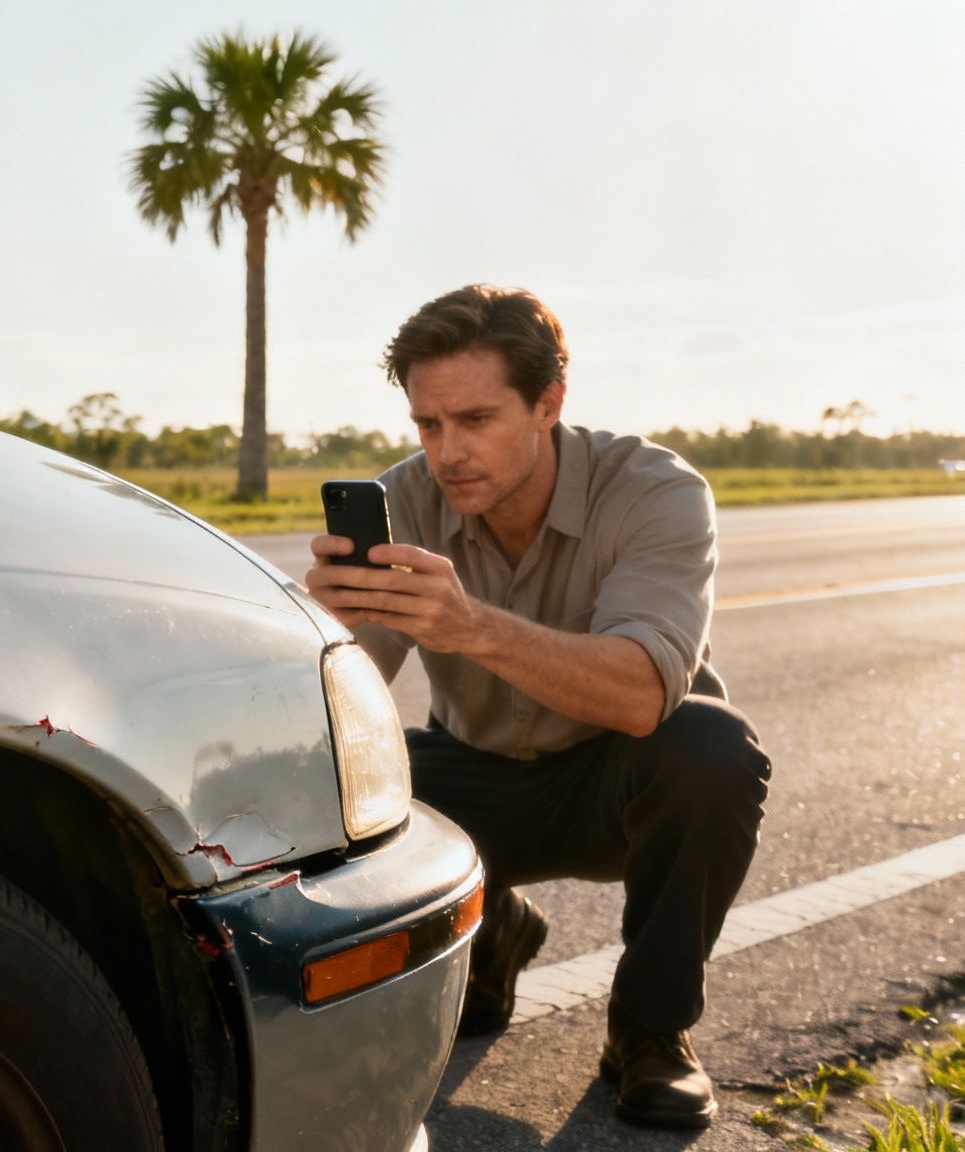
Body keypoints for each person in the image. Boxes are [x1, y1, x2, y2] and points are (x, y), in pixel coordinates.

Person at [303, 285, 770, 1130]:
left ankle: (650, 1034)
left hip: (615, 780)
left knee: (713, 751)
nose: (449, 453)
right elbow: (345, 699)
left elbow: (638, 694)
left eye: (476, 419)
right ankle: (491, 926)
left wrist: (472, 626)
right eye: (428, 424)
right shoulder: (406, 499)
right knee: (334, 776)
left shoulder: (655, 490)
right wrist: (325, 635)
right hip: (475, 777)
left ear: (548, 403)